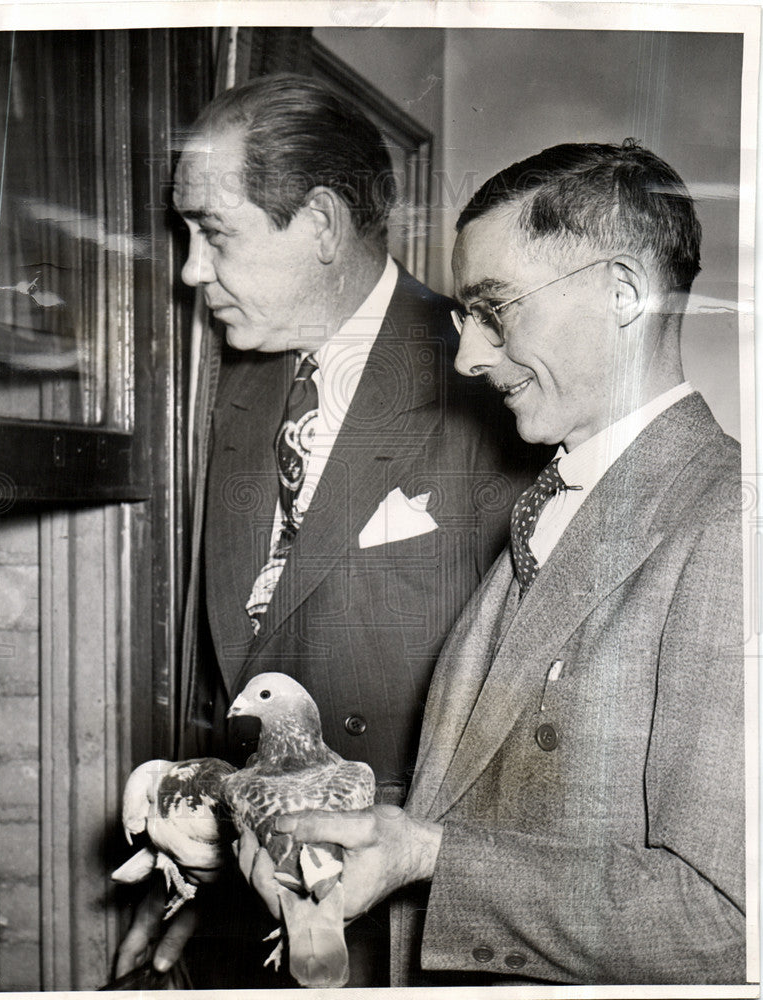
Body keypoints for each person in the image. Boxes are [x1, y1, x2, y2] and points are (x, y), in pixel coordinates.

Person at [243, 140, 747, 986]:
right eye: (461, 318)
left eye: (495, 310)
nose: (470, 357)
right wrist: (354, 838)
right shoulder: (552, 495)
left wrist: (429, 854)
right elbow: (491, 800)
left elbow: (725, 924)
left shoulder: (731, 521)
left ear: (621, 293)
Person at [114, 74, 538, 986]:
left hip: (404, 941)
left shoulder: (495, 384)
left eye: (213, 233)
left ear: (318, 223)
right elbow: (232, 665)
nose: (189, 270)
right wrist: (200, 875)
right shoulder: (235, 378)